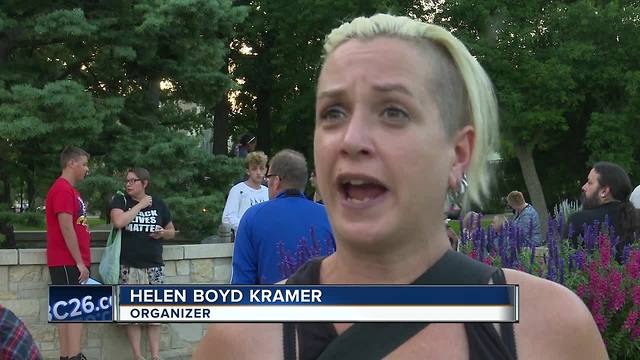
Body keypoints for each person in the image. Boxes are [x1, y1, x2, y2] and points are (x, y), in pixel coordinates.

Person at [194, 14, 607, 359]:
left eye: (393, 111)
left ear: (458, 154)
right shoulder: (242, 338)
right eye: (333, 112)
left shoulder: (549, 331)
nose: (352, 139)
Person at [231, 149, 335, 284]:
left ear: (276, 181)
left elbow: (242, 287)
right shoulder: (331, 218)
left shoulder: (252, 218)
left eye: (268, 178)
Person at [110, 168, 176, 360]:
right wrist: (139, 206)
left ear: (144, 183)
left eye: (133, 180)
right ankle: (138, 356)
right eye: (127, 181)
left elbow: (172, 230)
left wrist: (163, 233)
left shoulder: (159, 204)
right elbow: (119, 222)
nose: (128, 184)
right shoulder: (121, 201)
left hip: (154, 265)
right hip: (128, 265)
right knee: (132, 314)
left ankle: (155, 356)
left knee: (155, 313)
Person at [45, 146, 91, 360]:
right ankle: (74, 356)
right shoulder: (62, 189)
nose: (86, 169)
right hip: (67, 261)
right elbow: (66, 226)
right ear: (71, 163)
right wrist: (79, 262)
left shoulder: (70, 190)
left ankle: (67, 356)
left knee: (68, 311)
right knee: (74, 310)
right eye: (83, 164)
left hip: (69, 261)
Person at [566, 162, 640, 259]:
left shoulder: (578, 220)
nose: (584, 187)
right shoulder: (634, 219)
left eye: (589, 183)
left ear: (604, 191)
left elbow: (567, 262)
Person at [221, 151, 269, 234]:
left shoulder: (267, 191)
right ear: (248, 171)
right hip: (244, 240)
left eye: (261, 168)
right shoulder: (237, 190)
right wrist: (248, 227)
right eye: (254, 169)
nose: (258, 172)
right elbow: (227, 218)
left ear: (265, 170)